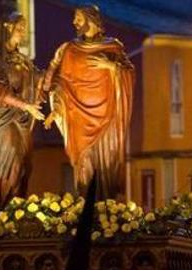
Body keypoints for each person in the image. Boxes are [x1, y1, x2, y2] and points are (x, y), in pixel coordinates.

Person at [40, 5, 134, 199]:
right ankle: (86, 211)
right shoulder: (69, 50)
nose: (74, 23)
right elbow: (59, 83)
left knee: (105, 167)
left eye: (79, 19)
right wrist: (56, 110)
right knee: (85, 169)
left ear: (92, 20)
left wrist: (111, 66)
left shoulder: (113, 46)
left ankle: (108, 214)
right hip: (79, 121)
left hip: (107, 119)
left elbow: (129, 73)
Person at [0, 12, 44, 210]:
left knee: (24, 169)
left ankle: (16, 214)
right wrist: (26, 105)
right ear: (8, 28)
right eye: (20, 28)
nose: (23, 32)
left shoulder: (23, 60)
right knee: (12, 165)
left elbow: (39, 80)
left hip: (22, 121)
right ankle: (2, 214)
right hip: (2, 120)